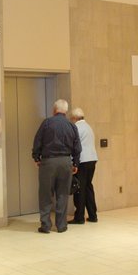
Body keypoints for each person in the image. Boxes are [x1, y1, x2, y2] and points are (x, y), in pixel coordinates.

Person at [32, 99, 82, 234]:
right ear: (66, 111)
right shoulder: (72, 126)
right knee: (62, 194)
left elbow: (38, 141)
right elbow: (77, 147)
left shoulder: (47, 123)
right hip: (66, 162)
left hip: (48, 162)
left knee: (45, 194)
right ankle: (61, 225)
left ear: (54, 110)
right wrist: (75, 163)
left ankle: (46, 225)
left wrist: (36, 157)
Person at [69, 108, 99, 224]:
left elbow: (74, 146)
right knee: (88, 187)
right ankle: (93, 215)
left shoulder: (76, 128)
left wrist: (73, 162)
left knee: (79, 189)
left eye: (71, 118)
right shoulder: (88, 127)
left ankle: (79, 217)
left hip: (82, 161)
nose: (71, 120)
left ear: (74, 118)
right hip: (92, 160)